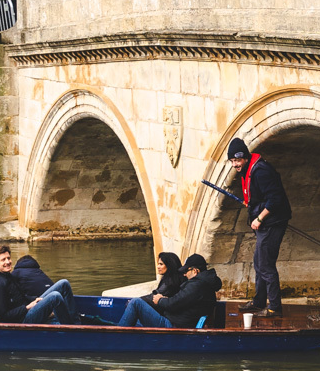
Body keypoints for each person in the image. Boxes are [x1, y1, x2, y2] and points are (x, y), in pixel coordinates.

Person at [228, 137, 291, 315]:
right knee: (258, 262)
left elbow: (275, 199)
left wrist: (260, 218)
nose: (235, 165)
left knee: (266, 265)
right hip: (267, 223)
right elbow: (262, 196)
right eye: (232, 161)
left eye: (238, 160)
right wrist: (253, 204)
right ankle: (259, 301)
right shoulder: (250, 170)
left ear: (246, 158)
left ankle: (274, 308)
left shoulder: (261, 171)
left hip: (272, 223)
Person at [113, 254, 222, 328]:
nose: (184, 274)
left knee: (135, 303)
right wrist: (166, 300)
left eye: (186, 271)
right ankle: (115, 328)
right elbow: (180, 301)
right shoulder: (203, 284)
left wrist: (160, 300)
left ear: (195, 271)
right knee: (136, 321)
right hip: (177, 322)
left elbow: (174, 303)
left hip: (173, 325)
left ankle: (117, 335)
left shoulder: (197, 285)